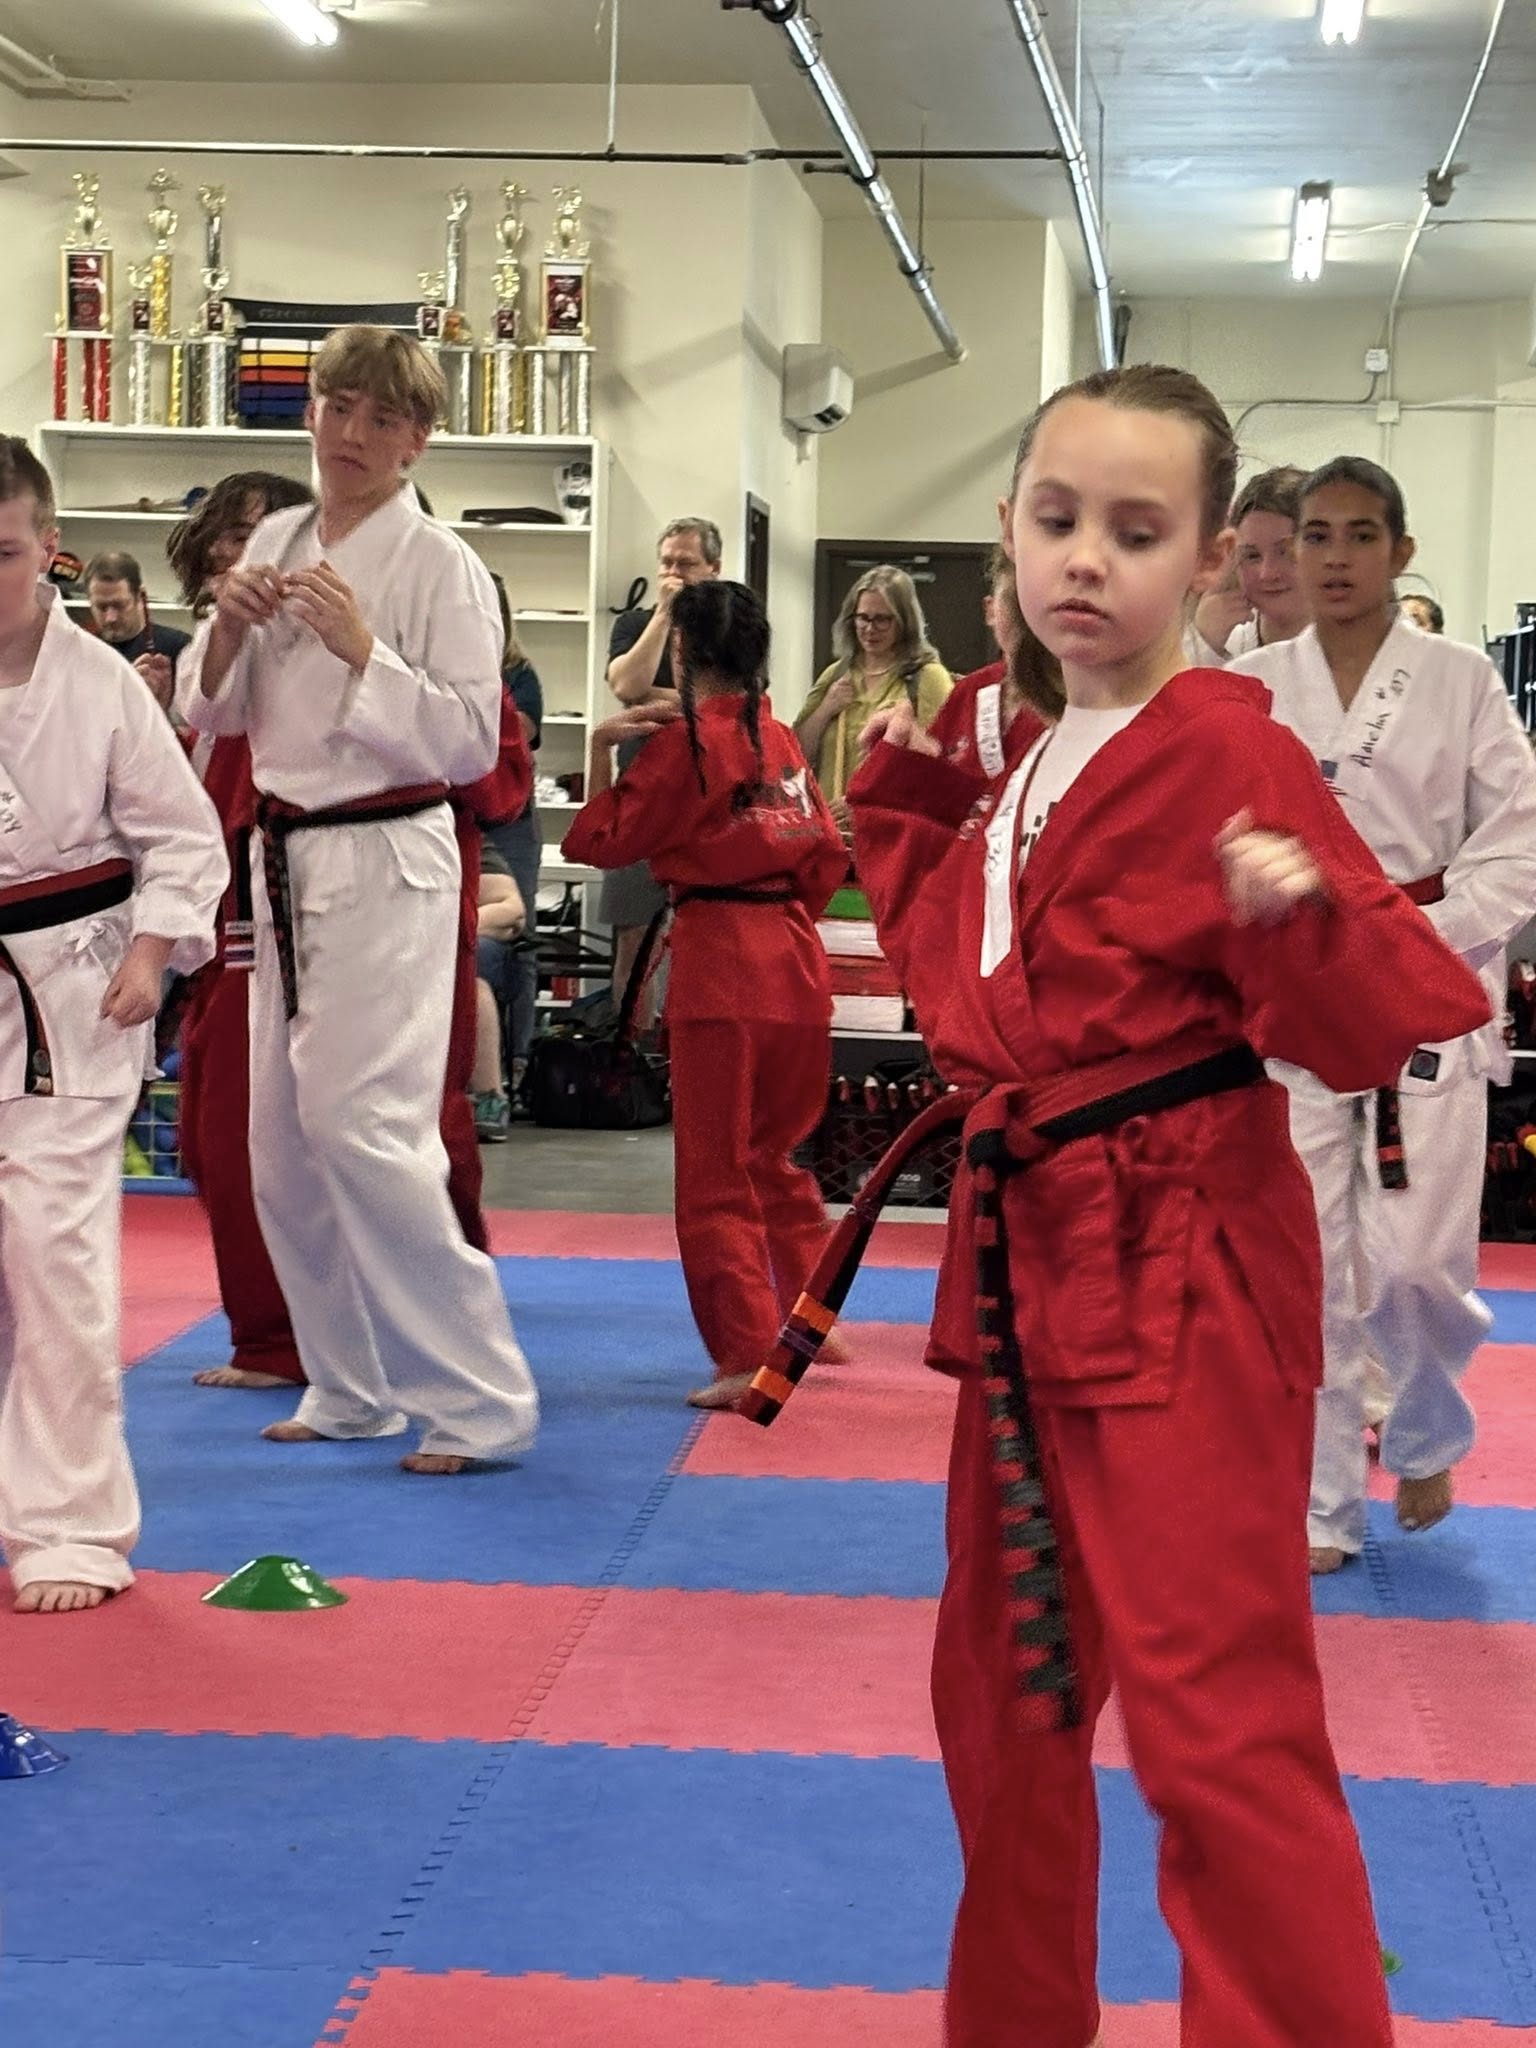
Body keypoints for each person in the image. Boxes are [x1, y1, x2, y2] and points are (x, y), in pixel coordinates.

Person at [846, 364, 1490, 2048]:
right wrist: (907, 810)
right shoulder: (1029, 753)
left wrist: (1297, 918)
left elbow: (1378, 1023)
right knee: (1004, 1694)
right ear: (1007, 528)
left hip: (1185, 1254)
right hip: (1027, 1256)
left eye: (1137, 533)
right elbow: (969, 1002)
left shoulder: (1228, 747)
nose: (1087, 560)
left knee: (1216, 1722)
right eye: (1059, 519)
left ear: (1207, 558)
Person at [179, 324, 539, 1475]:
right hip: (282, 854)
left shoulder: (442, 565)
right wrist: (227, 629)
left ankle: (481, 1399)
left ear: (416, 440)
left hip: (390, 854)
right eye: (338, 407)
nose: (352, 433)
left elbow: (472, 741)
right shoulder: (279, 537)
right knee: (280, 1141)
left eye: (382, 418)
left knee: (364, 1127)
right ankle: (349, 1383)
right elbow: (214, 713)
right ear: (312, 412)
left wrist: (361, 650)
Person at [1240, 455, 1536, 1572]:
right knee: (1308, 1266)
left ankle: (1421, 1437)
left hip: (1423, 978)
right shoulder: (1254, 682)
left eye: (1360, 535)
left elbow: (1519, 834)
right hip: (1300, 986)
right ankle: (1322, 1506)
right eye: (1314, 536)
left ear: (1400, 551)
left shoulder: (1461, 678)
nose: (1334, 558)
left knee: (1416, 1263)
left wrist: (1420, 936)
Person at [0, 437, 225, 1612]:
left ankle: (71, 1524)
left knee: (56, 1257)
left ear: (50, 550)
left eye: (0, 553)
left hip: (71, 995)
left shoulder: (99, 684)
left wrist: (151, 948)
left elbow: (182, 836)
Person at [564, 580, 848, 1410]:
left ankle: (747, 1353)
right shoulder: (780, 738)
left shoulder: (685, 747)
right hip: (796, 962)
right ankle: (811, 1324)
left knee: (716, 1172)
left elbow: (600, 841)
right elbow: (827, 856)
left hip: (722, 964)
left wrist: (600, 747)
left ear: (683, 653)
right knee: (775, 1158)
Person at [602, 517, 723, 1024]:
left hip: (706, 802)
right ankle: (629, 1055)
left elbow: (726, 704)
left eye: (687, 564)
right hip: (639, 801)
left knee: (704, 938)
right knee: (633, 939)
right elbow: (626, 686)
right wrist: (663, 616)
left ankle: (689, 1050)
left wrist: (657, 700)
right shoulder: (634, 626)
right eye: (667, 562)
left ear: (714, 568)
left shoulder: (729, 627)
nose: (674, 573)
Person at [795, 565, 951, 811]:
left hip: (892, 822)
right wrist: (825, 709)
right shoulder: (835, 674)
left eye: (882, 619)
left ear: (904, 621)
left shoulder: (929, 678)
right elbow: (795, 753)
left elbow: (944, 765)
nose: (869, 628)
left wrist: (864, 802)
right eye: (863, 618)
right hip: (830, 824)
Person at [926, 542, 1054, 779]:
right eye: (1014, 600)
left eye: (1036, 600)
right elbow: (933, 777)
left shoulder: (1073, 698)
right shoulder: (969, 691)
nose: (1025, 616)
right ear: (990, 610)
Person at [1187, 464, 1310, 666]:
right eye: (1252, 556)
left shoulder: (1361, 646)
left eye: (1285, 552)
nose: (1267, 573)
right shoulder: (1221, 644)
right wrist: (1203, 645)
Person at [83, 548, 192, 715]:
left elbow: (197, 721)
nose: (110, 618)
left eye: (119, 605)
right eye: (101, 607)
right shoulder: (81, 653)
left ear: (141, 597)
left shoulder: (180, 648)